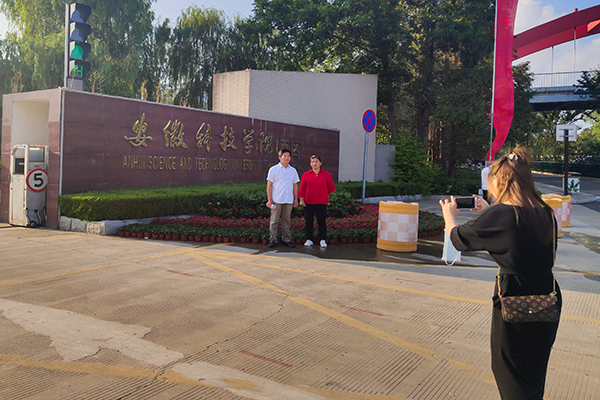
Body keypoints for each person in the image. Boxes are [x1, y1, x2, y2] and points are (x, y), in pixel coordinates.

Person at [439, 147, 561, 400]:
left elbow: (460, 239)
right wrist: (489, 209)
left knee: (511, 371)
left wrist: (449, 218)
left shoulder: (501, 215)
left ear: (501, 180)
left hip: (515, 298)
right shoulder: (544, 211)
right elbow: (516, 233)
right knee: (533, 370)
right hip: (547, 297)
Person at [298, 155, 336, 248]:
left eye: (316, 161)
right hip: (309, 202)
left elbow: (332, 187)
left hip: (321, 202)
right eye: (312, 162)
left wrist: (324, 193)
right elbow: (302, 189)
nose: (314, 163)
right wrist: (301, 200)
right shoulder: (306, 175)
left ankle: (322, 239)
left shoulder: (326, 174)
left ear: (320, 163)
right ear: (310, 163)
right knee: (309, 221)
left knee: (321, 221)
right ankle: (309, 239)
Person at [266, 148, 300, 248]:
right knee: (274, 221)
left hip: (288, 200)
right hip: (276, 199)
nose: (287, 158)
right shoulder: (274, 169)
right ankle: (273, 239)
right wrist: (269, 199)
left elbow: (295, 185)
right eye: (284, 156)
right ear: (279, 157)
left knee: (286, 221)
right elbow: (269, 185)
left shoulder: (293, 170)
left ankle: (286, 239)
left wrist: (296, 199)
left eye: (288, 156)